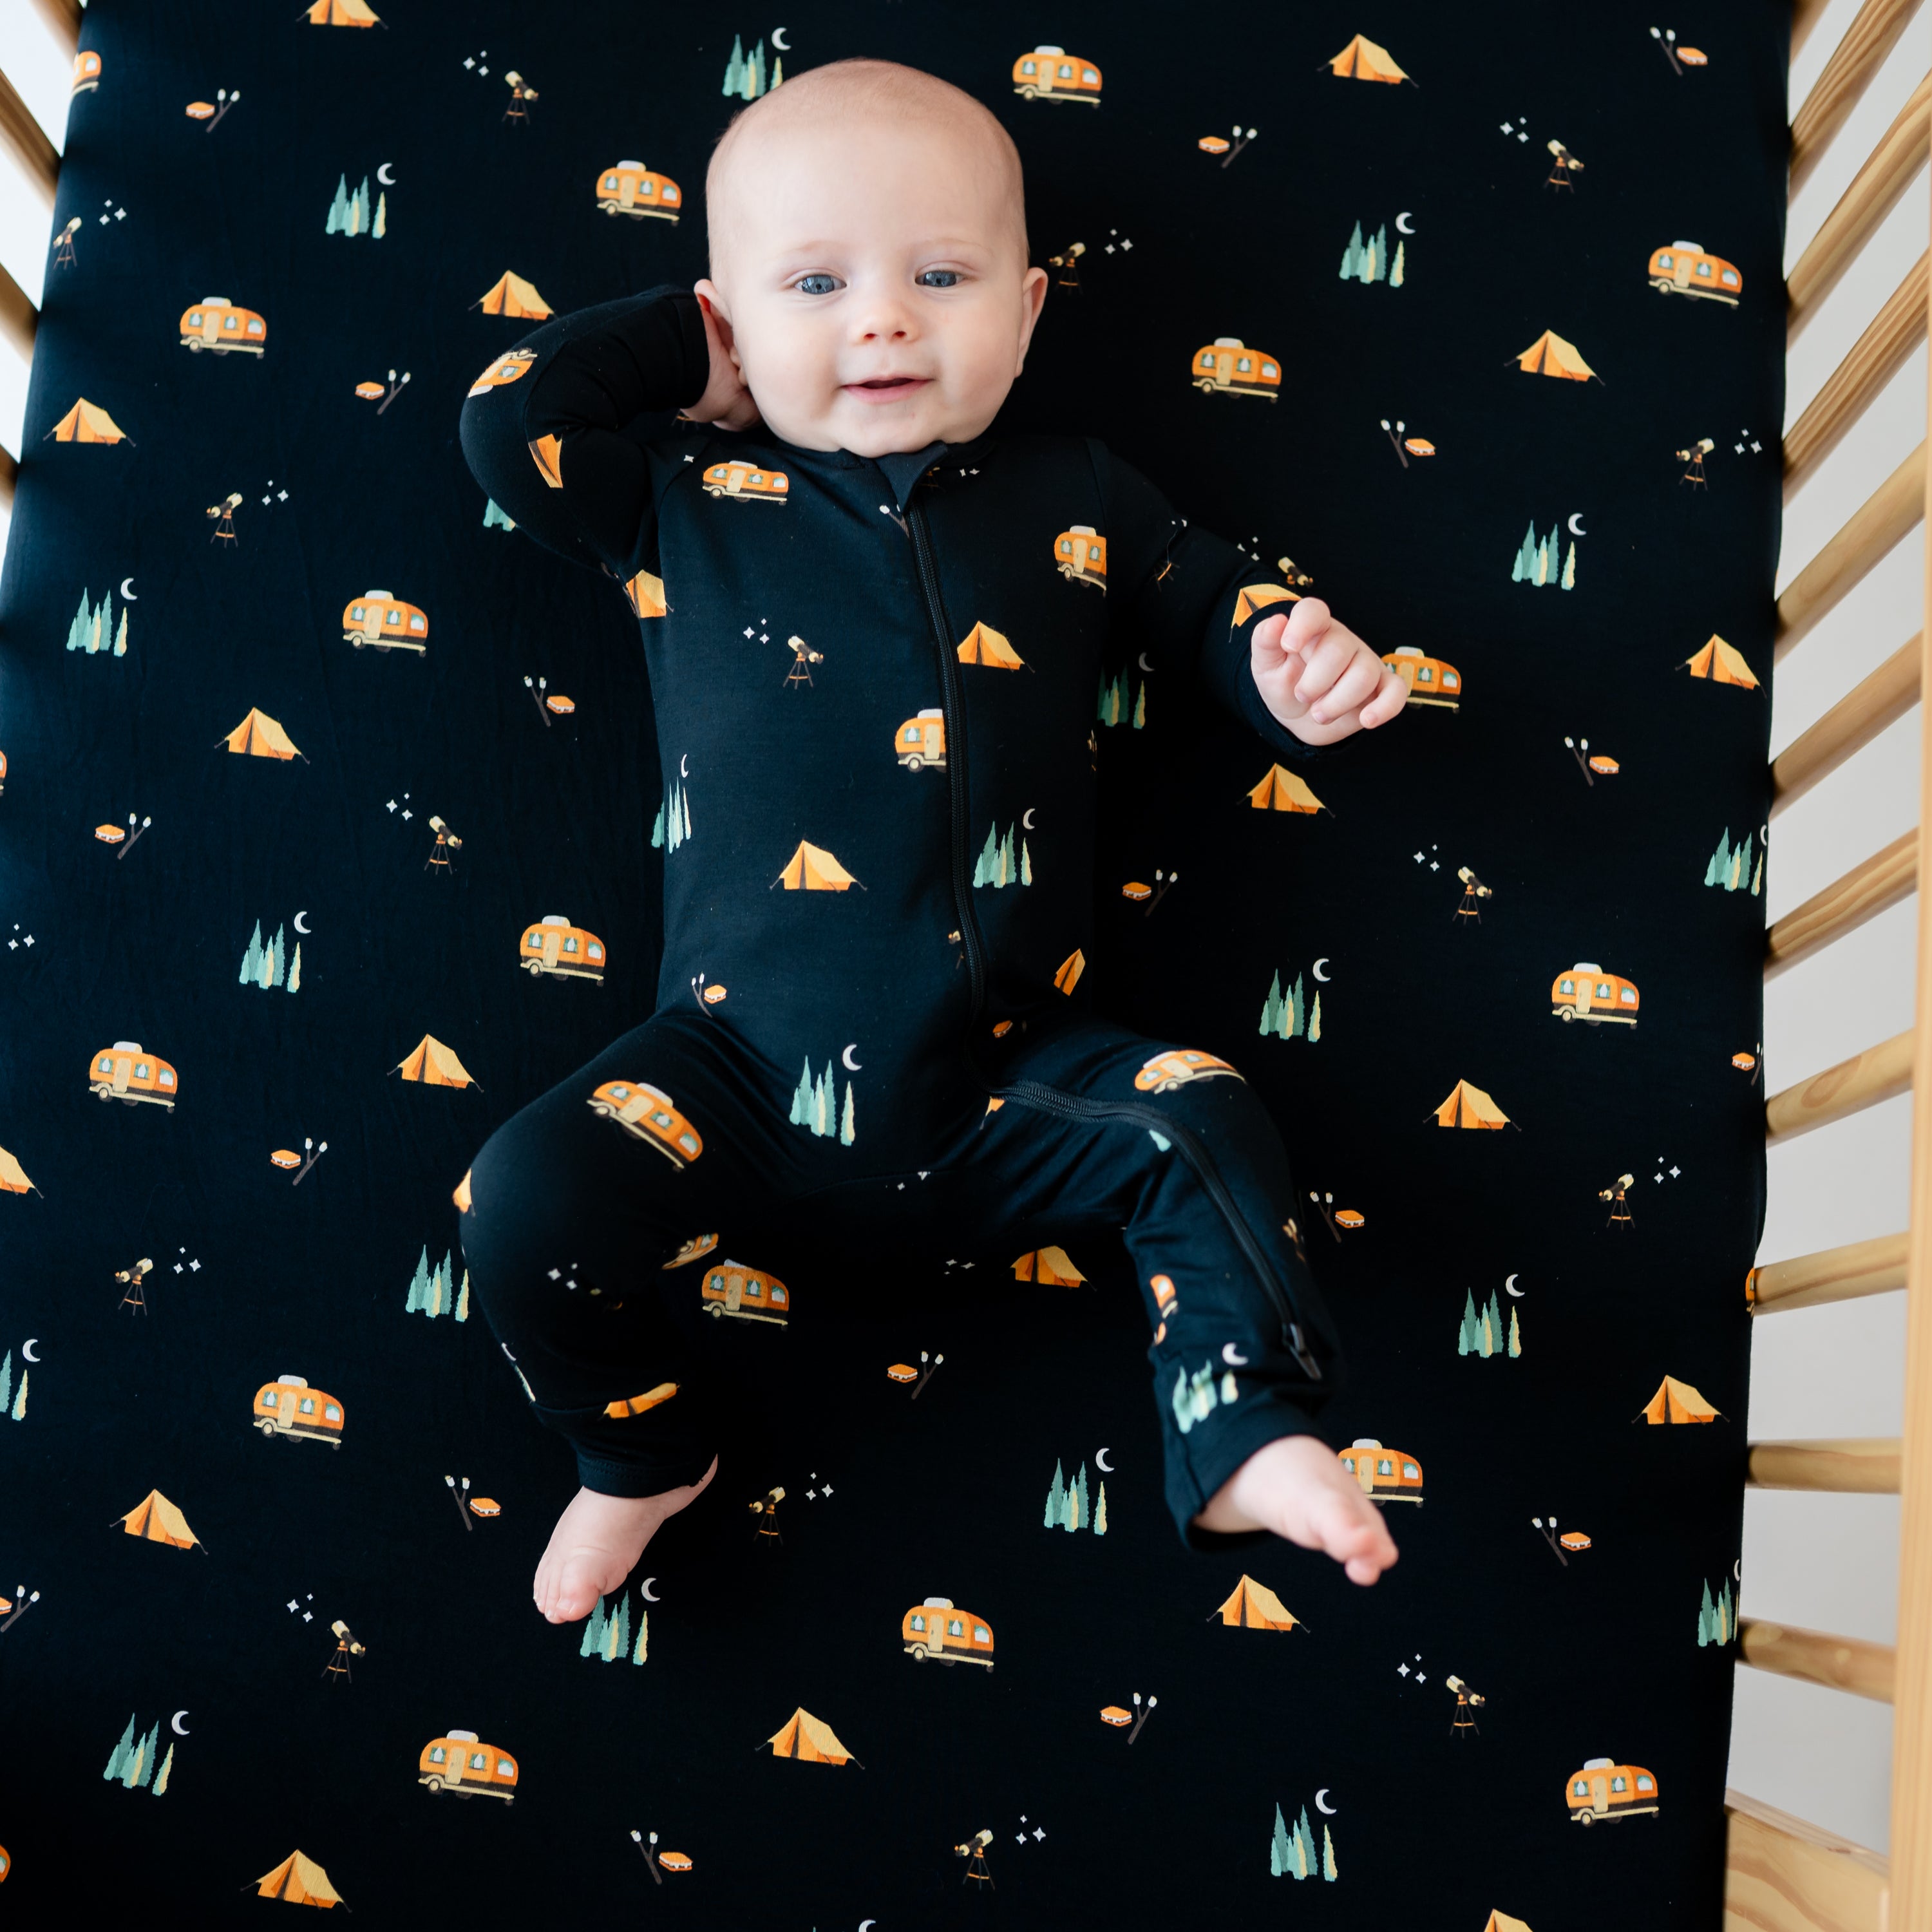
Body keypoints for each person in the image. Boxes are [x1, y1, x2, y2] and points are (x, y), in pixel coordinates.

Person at [457, 57, 1407, 1625]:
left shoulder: (1079, 496)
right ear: (730, 321)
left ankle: (1241, 1424)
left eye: (941, 277)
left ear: (1029, 313)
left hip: (1012, 1076)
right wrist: (690, 356)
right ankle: (637, 1454)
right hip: (728, 1079)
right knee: (522, 1199)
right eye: (816, 285)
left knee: (1206, 1118)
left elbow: (1212, 600)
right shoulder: (688, 499)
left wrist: (1295, 670)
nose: (883, 320)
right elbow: (512, 427)